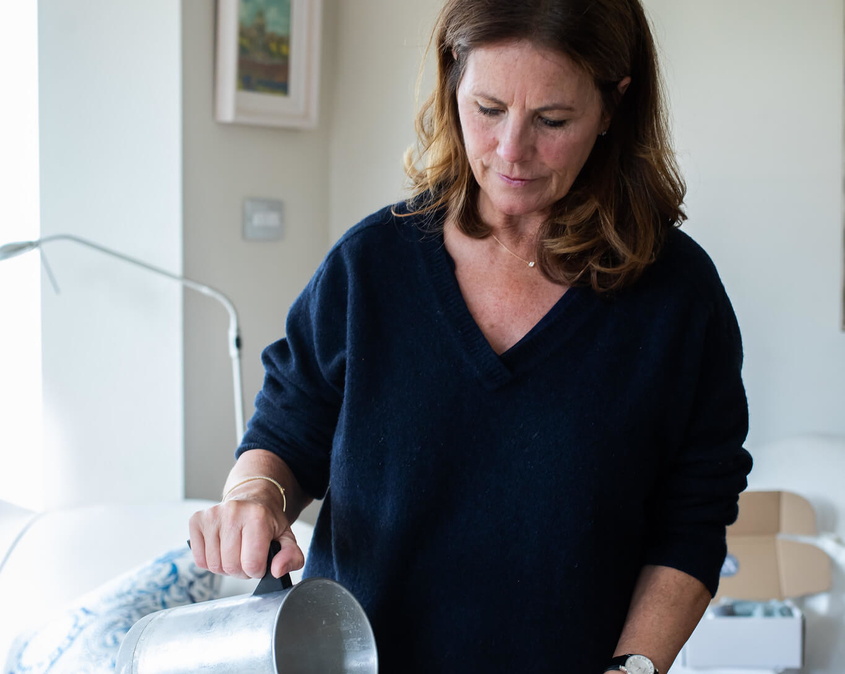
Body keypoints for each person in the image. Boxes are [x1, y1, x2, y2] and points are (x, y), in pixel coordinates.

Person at [189, 0, 753, 672]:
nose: (512, 150)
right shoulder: (370, 267)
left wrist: (633, 667)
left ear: (612, 106)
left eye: (552, 120)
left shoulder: (677, 298)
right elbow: (285, 434)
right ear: (453, 79)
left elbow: (692, 519)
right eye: (488, 109)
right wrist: (252, 500)